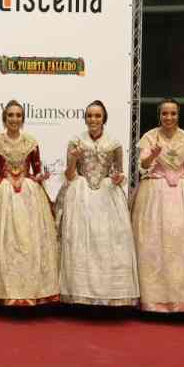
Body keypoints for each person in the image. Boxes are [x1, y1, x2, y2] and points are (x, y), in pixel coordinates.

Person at [131, 98, 184, 313]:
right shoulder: (150, 137)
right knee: (154, 244)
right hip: (155, 192)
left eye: (173, 113)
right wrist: (152, 155)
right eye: (165, 113)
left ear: (178, 115)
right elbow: (143, 166)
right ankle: (155, 300)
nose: (169, 117)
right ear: (159, 115)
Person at [55, 101, 139, 307]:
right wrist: (73, 159)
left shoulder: (114, 144)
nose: (93, 119)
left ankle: (110, 294)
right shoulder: (76, 141)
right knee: (79, 241)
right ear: (85, 118)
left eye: (97, 116)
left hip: (107, 195)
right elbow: (70, 175)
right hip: (80, 193)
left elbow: (119, 173)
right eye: (90, 115)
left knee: (109, 242)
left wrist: (118, 178)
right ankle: (79, 293)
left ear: (104, 119)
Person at [0, 101, 61, 305]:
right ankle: (5, 292)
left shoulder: (31, 142)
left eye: (18, 115)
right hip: (4, 193)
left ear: (23, 119)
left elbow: (36, 171)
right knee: (5, 241)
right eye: (10, 115)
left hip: (29, 195)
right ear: (4, 118)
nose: (14, 119)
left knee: (30, 240)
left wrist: (40, 177)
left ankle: (31, 290)